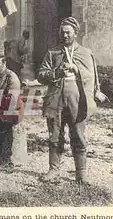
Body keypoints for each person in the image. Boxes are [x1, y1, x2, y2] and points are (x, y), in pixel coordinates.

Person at [37, 17, 108, 184]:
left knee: (78, 135)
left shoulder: (85, 53)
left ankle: (81, 173)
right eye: (62, 32)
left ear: (75, 33)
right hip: (56, 100)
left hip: (77, 101)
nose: (64, 35)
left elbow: (92, 76)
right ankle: (54, 170)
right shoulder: (52, 52)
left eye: (68, 32)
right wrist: (56, 73)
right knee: (55, 135)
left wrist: (77, 70)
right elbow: (41, 75)